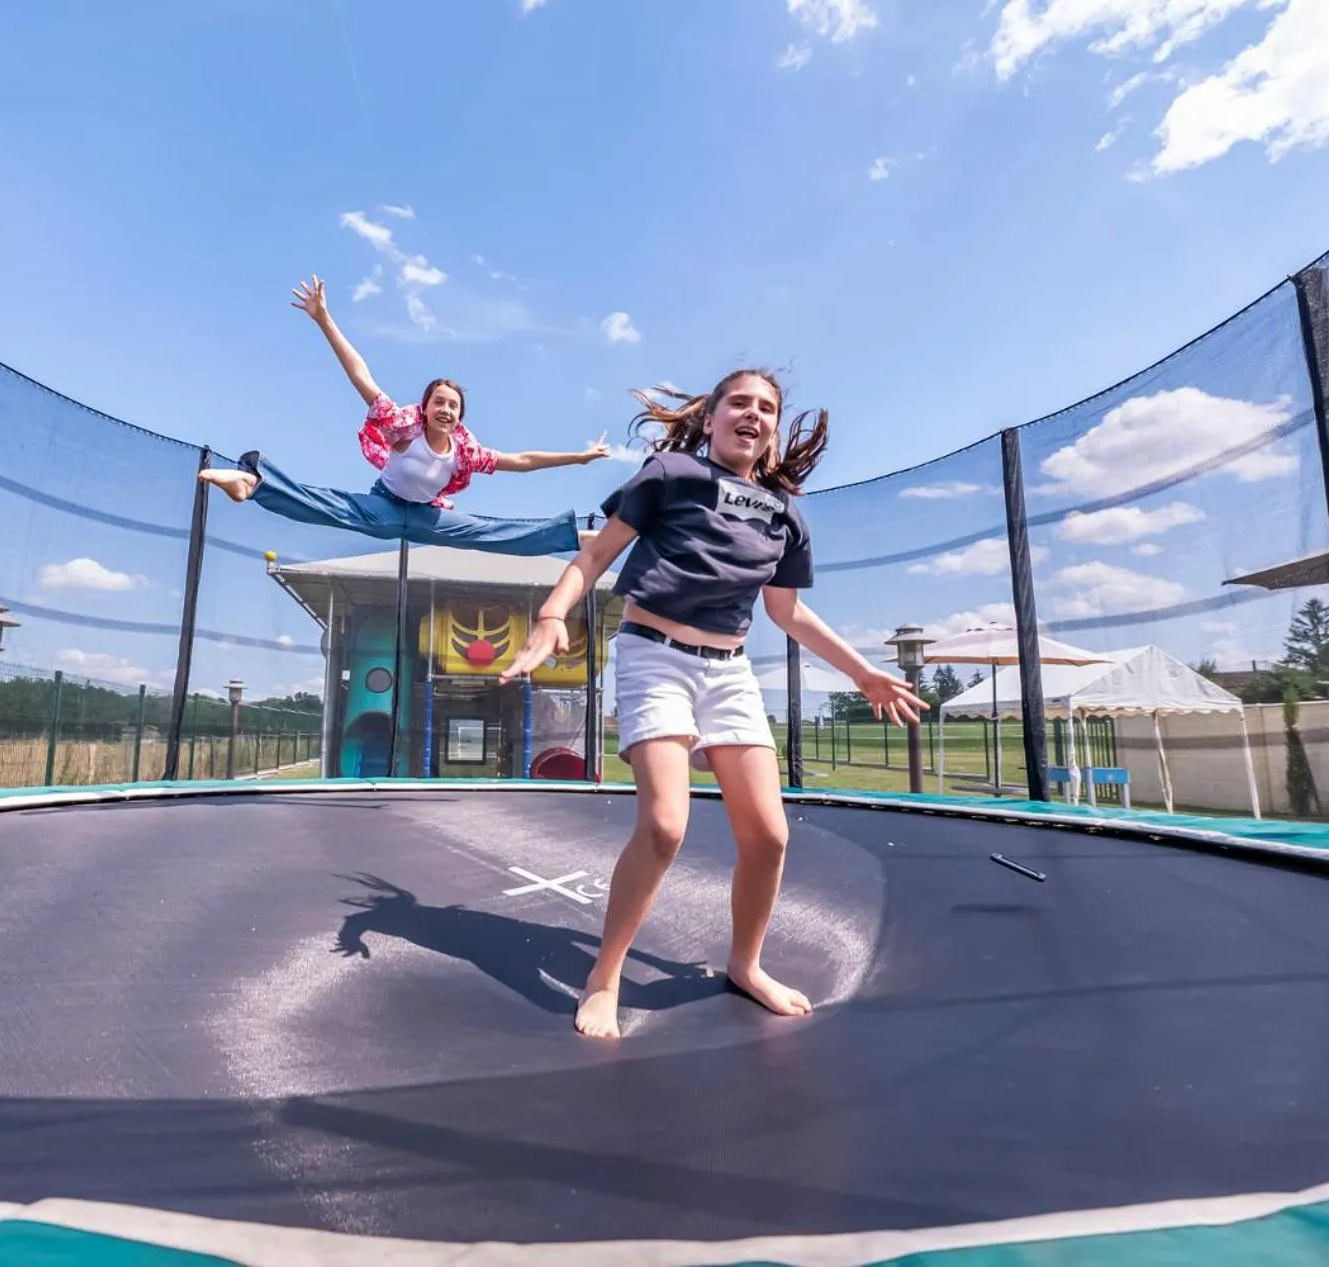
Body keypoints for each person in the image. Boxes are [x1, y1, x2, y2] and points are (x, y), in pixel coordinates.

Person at [499, 369, 928, 1039]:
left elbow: (787, 612)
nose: (752, 413)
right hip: (654, 654)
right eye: (740, 402)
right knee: (666, 825)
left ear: (774, 432)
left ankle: (745, 964)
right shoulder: (669, 475)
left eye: (767, 408)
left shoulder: (786, 516)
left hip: (728, 673)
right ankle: (605, 975)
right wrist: (553, 615)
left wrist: (865, 672)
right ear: (711, 418)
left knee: (769, 834)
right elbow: (598, 555)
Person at [199, 276, 609, 556]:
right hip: (385, 507)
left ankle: (574, 536)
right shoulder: (401, 426)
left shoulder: (465, 451)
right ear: (426, 407)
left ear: (459, 416)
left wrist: (581, 456)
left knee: (489, 533)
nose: (446, 410)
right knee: (334, 506)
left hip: (431, 517)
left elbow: (521, 461)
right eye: (439, 402)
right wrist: (324, 318)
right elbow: (360, 374)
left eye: (453, 406)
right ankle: (253, 484)